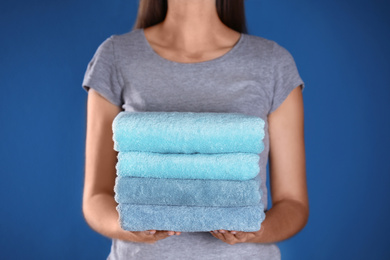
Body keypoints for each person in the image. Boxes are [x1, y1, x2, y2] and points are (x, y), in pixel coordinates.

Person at [81, 0, 309, 259]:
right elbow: (96, 198)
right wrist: (130, 226)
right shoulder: (116, 55)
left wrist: (255, 229)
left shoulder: (272, 63)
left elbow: (293, 204)